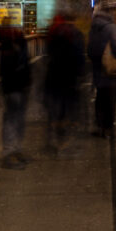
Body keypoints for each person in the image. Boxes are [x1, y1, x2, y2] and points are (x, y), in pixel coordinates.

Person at [44, 11, 85, 153]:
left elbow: (48, 53)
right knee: (69, 107)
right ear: (74, 19)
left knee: (54, 107)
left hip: (54, 74)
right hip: (69, 75)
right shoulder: (76, 34)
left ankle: (52, 139)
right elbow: (79, 56)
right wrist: (81, 73)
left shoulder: (53, 32)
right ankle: (63, 142)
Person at [0, 18, 31, 169]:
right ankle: (9, 154)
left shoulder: (16, 42)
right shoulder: (10, 44)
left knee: (16, 120)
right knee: (12, 120)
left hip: (17, 86)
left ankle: (14, 150)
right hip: (14, 86)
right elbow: (13, 66)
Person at [86, 3, 116, 137]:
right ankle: (108, 128)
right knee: (111, 99)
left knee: (100, 97)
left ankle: (99, 125)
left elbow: (89, 48)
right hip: (109, 68)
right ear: (111, 13)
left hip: (97, 67)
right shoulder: (111, 27)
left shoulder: (94, 26)